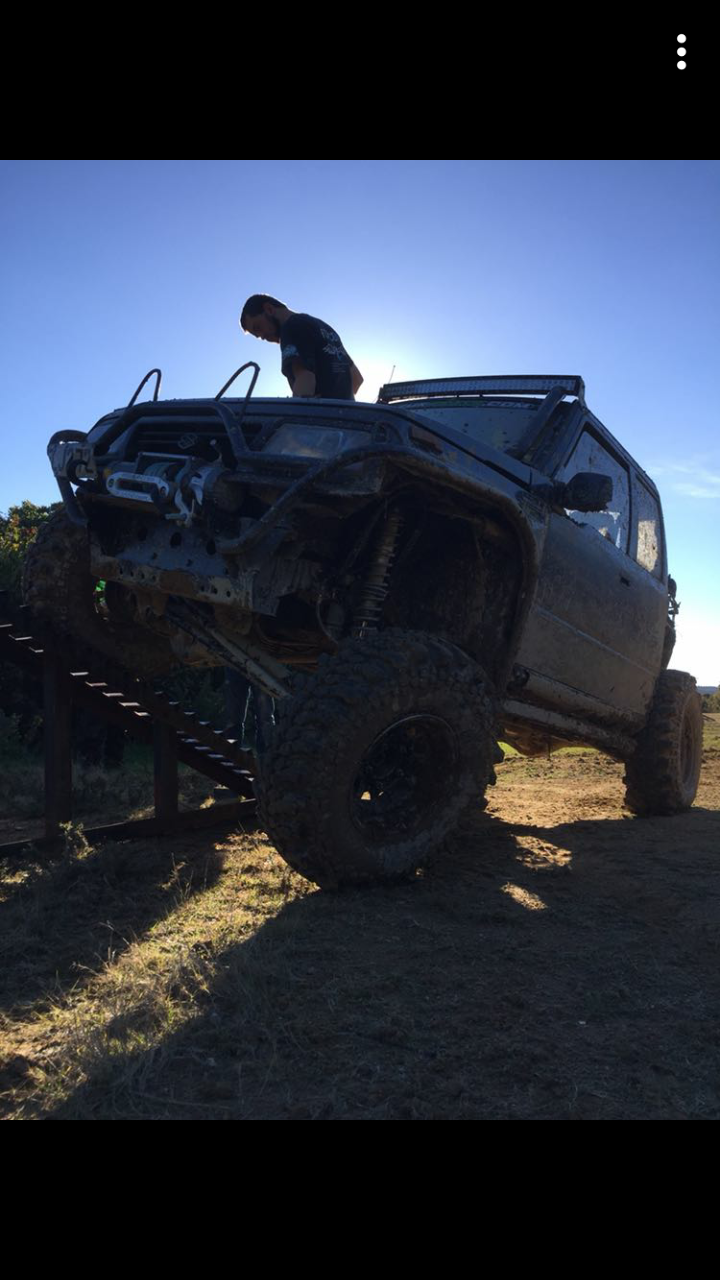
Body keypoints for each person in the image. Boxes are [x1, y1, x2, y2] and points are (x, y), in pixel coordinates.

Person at [240, 294, 363, 400]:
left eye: (258, 327)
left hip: (320, 419)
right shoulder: (325, 329)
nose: (262, 336)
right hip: (346, 417)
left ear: (269, 309)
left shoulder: (291, 327)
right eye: (257, 336)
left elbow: (305, 381)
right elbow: (356, 379)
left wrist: (295, 409)